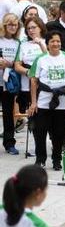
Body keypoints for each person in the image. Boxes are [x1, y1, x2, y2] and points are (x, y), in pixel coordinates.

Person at [27, 30, 65, 171]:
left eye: (58, 41)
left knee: (59, 133)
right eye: (52, 41)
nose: (56, 44)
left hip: (62, 102)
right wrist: (33, 102)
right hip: (44, 101)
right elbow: (33, 80)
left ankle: (57, 159)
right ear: (47, 44)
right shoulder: (41, 59)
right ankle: (40, 159)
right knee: (40, 132)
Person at [14, 17, 47, 141]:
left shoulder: (47, 41)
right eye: (28, 28)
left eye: (33, 27)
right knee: (32, 114)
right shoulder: (24, 45)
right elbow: (17, 65)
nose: (31, 31)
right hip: (27, 83)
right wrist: (29, 72)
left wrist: (41, 44)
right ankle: (35, 144)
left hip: (44, 83)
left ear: (40, 27)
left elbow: (49, 59)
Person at [0, 14, 21, 155]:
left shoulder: (18, 43)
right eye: (10, 24)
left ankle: (9, 143)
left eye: (15, 25)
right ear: (4, 25)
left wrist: (11, 64)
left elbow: (20, 61)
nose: (13, 27)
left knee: (8, 113)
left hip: (9, 83)